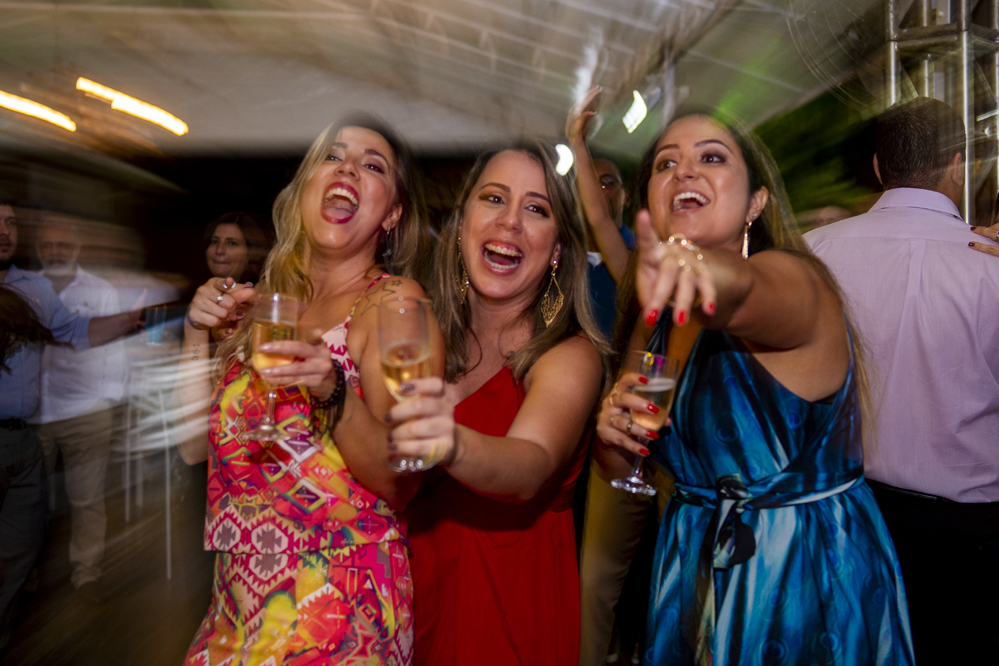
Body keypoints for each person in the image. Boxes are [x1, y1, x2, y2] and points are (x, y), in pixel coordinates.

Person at [595, 113, 913, 665]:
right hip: (691, 570)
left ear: (756, 203)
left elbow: (741, 292)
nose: (684, 171)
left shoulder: (795, 282)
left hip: (802, 578)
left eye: (711, 157)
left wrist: (698, 269)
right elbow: (623, 467)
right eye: (666, 162)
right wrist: (612, 433)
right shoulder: (659, 314)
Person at [177, 117, 441, 666]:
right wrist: (195, 331)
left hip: (341, 614)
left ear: (392, 213)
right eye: (333, 156)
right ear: (305, 189)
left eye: (373, 166)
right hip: (235, 613)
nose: (348, 168)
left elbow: (403, 479)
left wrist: (333, 390)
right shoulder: (268, 306)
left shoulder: (394, 304)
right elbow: (191, 448)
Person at [385, 143, 608, 666]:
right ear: (462, 225)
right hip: (407, 608)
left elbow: (528, 464)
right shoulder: (419, 336)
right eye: (494, 199)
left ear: (557, 250)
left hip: (509, 624)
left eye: (536, 209)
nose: (510, 223)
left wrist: (451, 442)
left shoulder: (569, 355)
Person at [805, 97, 999, 664]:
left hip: (846, 517)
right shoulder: (990, 267)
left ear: (878, 167)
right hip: (972, 538)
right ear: (956, 165)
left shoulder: (811, 257)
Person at [0, 202, 141, 650]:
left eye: (10, 222)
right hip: (37, 420)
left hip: (49, 423)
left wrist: (127, 323)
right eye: (49, 244)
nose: (5, 231)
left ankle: (75, 580)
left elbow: (75, 332)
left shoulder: (35, 287)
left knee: (57, 515)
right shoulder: (32, 286)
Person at [567, 88, 664, 666]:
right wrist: (577, 142)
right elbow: (596, 214)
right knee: (594, 584)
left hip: (686, 449)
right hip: (624, 433)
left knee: (669, 578)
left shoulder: (728, 284)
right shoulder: (633, 268)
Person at [30, 218, 128, 603]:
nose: (55, 251)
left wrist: (107, 398)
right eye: (47, 244)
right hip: (35, 413)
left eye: (61, 244)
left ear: (76, 248)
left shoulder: (99, 290)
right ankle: (29, 574)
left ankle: (86, 573)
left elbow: (116, 345)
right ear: (38, 248)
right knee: (29, 502)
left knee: (86, 499)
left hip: (86, 410)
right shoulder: (23, 289)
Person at [203, 211, 270, 284]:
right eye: (215, 241)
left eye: (232, 243)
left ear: (251, 253)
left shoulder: (261, 293)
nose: (219, 250)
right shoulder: (193, 293)